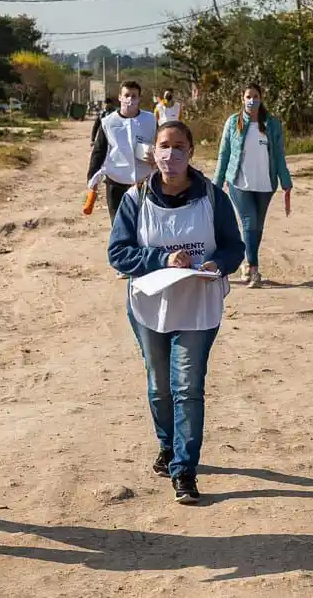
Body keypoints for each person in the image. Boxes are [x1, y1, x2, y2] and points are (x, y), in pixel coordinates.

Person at [108, 120, 245, 504]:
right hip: (149, 305)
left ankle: (184, 470)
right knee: (159, 384)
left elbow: (234, 247)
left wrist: (218, 264)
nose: (171, 154)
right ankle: (168, 446)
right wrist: (162, 259)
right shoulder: (135, 198)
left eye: (179, 146)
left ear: (191, 151)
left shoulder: (213, 197)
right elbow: (118, 253)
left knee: (187, 386)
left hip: (198, 304)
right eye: (164, 146)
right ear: (153, 152)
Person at [213, 83, 293, 288]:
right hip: (239, 183)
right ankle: (254, 269)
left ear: (261, 98)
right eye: (248, 96)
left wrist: (285, 181)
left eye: (256, 96)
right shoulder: (233, 122)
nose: (252, 100)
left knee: (257, 226)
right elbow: (224, 154)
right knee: (249, 222)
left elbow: (279, 155)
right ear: (242, 98)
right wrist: (216, 184)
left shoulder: (272, 124)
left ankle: (247, 264)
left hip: (265, 183)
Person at [87, 81, 157, 225]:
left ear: (139, 98)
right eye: (126, 95)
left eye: (134, 96)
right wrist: (92, 178)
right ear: (120, 97)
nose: (130, 99)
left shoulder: (150, 120)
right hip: (116, 182)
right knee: (118, 224)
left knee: (144, 225)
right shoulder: (108, 122)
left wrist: (157, 155)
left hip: (144, 182)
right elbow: (99, 151)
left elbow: (163, 142)